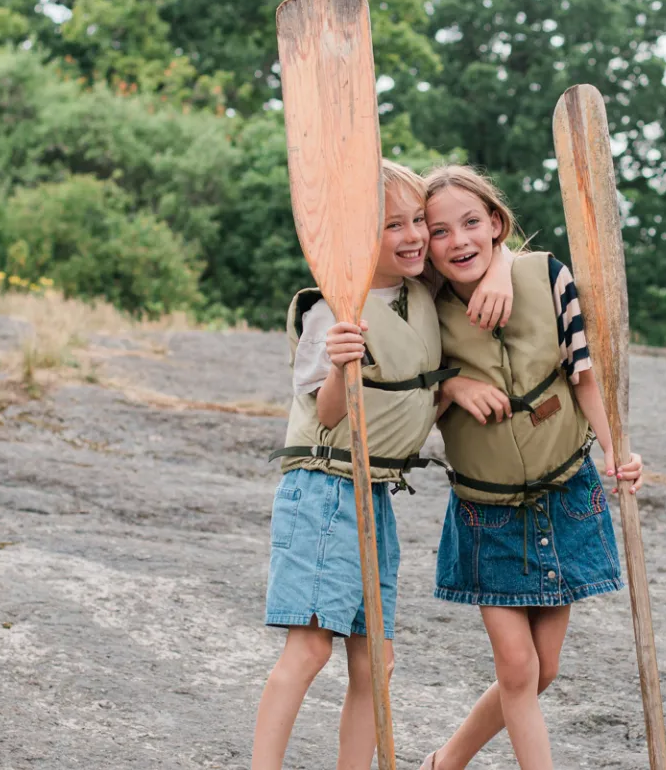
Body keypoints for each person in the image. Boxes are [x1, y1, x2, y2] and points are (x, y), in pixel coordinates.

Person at [250, 160, 511, 770]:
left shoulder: (420, 291)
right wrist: (343, 363)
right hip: (323, 489)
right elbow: (330, 414)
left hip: (375, 495)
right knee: (311, 648)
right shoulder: (332, 310)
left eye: (417, 220)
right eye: (393, 225)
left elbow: (484, 254)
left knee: (377, 660)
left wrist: (454, 387)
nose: (416, 235)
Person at [419, 165, 644, 770]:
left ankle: (445, 762)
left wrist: (616, 449)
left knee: (544, 670)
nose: (458, 241)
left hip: (565, 493)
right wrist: (455, 387)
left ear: (496, 223)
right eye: (439, 231)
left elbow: (584, 374)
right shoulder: (425, 308)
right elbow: (411, 398)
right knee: (517, 669)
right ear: (425, 242)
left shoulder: (546, 274)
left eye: (471, 223)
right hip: (486, 509)